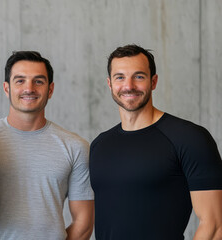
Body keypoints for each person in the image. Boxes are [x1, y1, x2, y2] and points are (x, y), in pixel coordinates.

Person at [90, 44, 222, 239]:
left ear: (153, 81)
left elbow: (214, 225)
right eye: (120, 77)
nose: (129, 86)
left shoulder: (190, 138)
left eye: (139, 76)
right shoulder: (100, 145)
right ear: (110, 84)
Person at [0, 51, 93, 240]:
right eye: (20, 81)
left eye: (38, 81)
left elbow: (84, 222)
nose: (29, 88)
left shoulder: (75, 147)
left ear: (50, 89)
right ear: (6, 88)